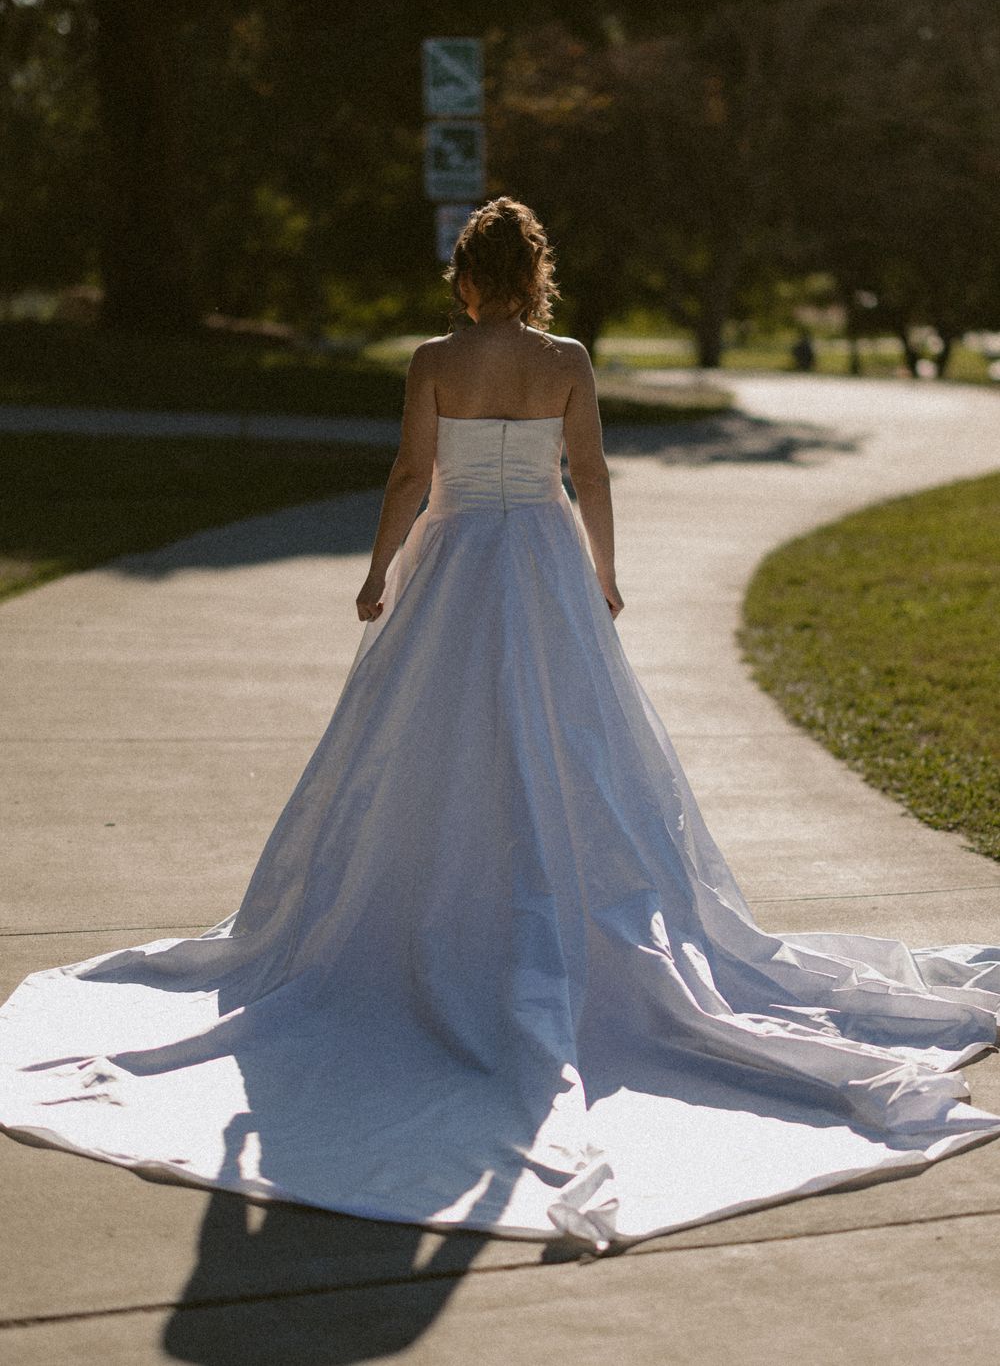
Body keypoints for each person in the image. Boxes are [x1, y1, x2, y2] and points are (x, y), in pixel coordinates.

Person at [2, 197, 1000, 1253]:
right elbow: (591, 474)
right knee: (570, 745)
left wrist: (379, 570)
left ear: (464, 278)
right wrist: (605, 576)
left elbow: (410, 476)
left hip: (458, 559)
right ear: (536, 276)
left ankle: (429, 914)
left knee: (422, 750)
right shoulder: (566, 357)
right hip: (545, 563)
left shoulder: (435, 357)